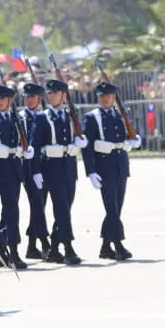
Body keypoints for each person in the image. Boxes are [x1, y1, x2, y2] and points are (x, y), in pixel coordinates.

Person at [81, 81, 141, 263]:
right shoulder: (92, 117)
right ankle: (118, 245)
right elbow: (87, 147)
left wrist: (136, 140)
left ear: (114, 97)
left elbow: (128, 135)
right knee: (111, 208)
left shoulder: (121, 115)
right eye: (102, 96)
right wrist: (90, 171)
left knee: (117, 207)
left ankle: (105, 247)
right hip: (104, 167)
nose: (105, 99)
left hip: (121, 165)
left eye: (108, 96)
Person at [31, 79, 87, 265]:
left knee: (66, 208)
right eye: (50, 93)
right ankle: (68, 248)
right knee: (62, 208)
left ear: (64, 96)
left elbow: (78, 135)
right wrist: (36, 171)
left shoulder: (71, 115)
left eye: (56, 93)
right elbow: (34, 146)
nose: (52, 96)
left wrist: (80, 142)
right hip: (51, 168)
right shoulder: (42, 117)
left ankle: (54, 248)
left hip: (69, 166)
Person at [0, 84, 33, 269]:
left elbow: (22, 141)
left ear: (10, 100)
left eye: (2, 99)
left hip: (12, 171)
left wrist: (25, 150)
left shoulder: (18, 119)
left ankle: (12, 250)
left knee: (12, 212)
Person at [20, 82, 50, 258]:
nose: (29, 100)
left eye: (32, 97)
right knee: (37, 204)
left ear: (40, 98)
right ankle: (44, 242)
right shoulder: (20, 117)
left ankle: (32, 245)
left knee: (39, 204)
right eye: (26, 97)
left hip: (42, 166)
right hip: (25, 166)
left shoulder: (44, 116)